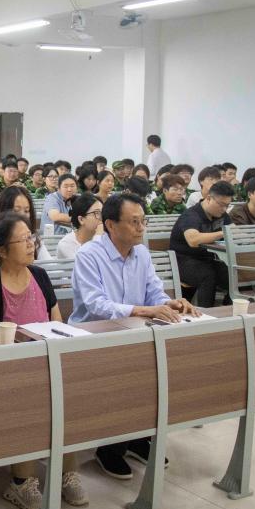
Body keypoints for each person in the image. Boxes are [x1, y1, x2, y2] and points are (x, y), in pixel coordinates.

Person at [0, 213, 88, 509]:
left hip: (44, 364)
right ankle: (21, 482)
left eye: (32, 237)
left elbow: (57, 324)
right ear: (1, 249)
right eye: (23, 240)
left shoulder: (40, 276)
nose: (32, 244)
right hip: (4, 372)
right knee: (32, 399)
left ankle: (67, 472)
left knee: (69, 393)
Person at [70, 193, 197, 479]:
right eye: (134, 222)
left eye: (143, 221)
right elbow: (97, 305)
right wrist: (144, 310)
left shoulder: (142, 253)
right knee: (129, 373)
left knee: (161, 368)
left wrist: (169, 303)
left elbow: (154, 292)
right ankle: (110, 448)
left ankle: (138, 437)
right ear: (111, 225)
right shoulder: (89, 255)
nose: (141, 228)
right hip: (93, 337)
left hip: (133, 333)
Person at [170, 181, 234, 307]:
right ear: (209, 198)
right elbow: (193, 240)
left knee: (232, 274)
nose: (224, 209)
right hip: (182, 261)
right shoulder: (191, 215)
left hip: (208, 259)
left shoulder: (222, 215)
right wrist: (223, 233)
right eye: (221, 205)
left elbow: (234, 231)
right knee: (208, 275)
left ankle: (230, 310)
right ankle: (205, 313)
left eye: (227, 205)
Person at [0, 187, 53, 264]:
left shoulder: (33, 239)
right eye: (16, 211)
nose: (22, 216)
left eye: (26, 211)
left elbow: (51, 266)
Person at [56, 194, 102, 259]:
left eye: (103, 212)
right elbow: (86, 263)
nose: (102, 217)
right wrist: (98, 238)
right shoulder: (66, 244)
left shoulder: (105, 239)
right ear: (81, 219)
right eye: (97, 213)